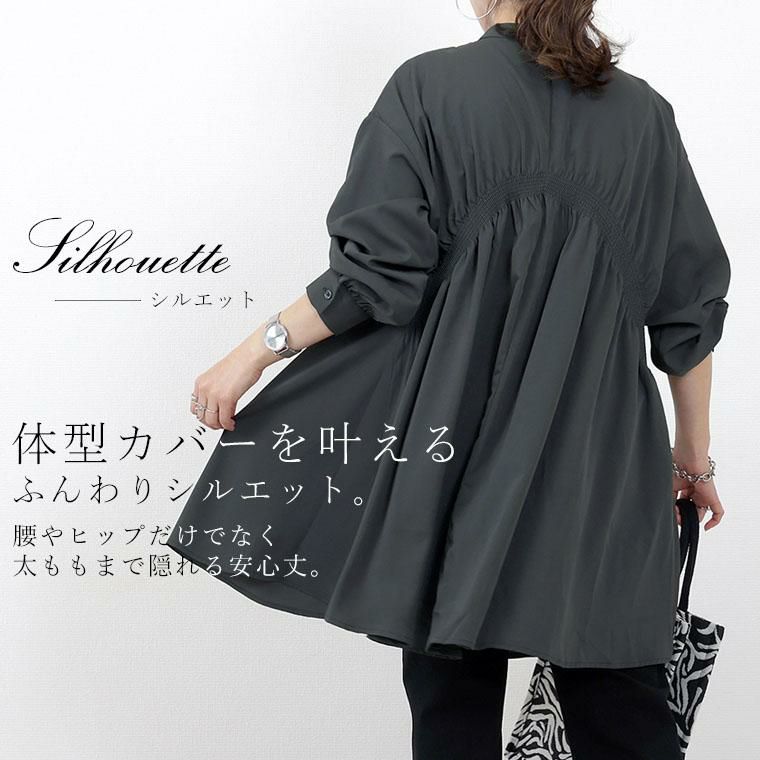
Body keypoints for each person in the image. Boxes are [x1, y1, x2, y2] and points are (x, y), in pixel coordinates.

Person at [172, 1, 730, 758]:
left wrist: (254, 352)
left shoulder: (430, 89)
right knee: (623, 710)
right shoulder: (646, 118)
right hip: (599, 463)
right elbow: (688, 311)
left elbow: (376, 275)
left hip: (454, 457)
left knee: (452, 714)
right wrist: (692, 460)